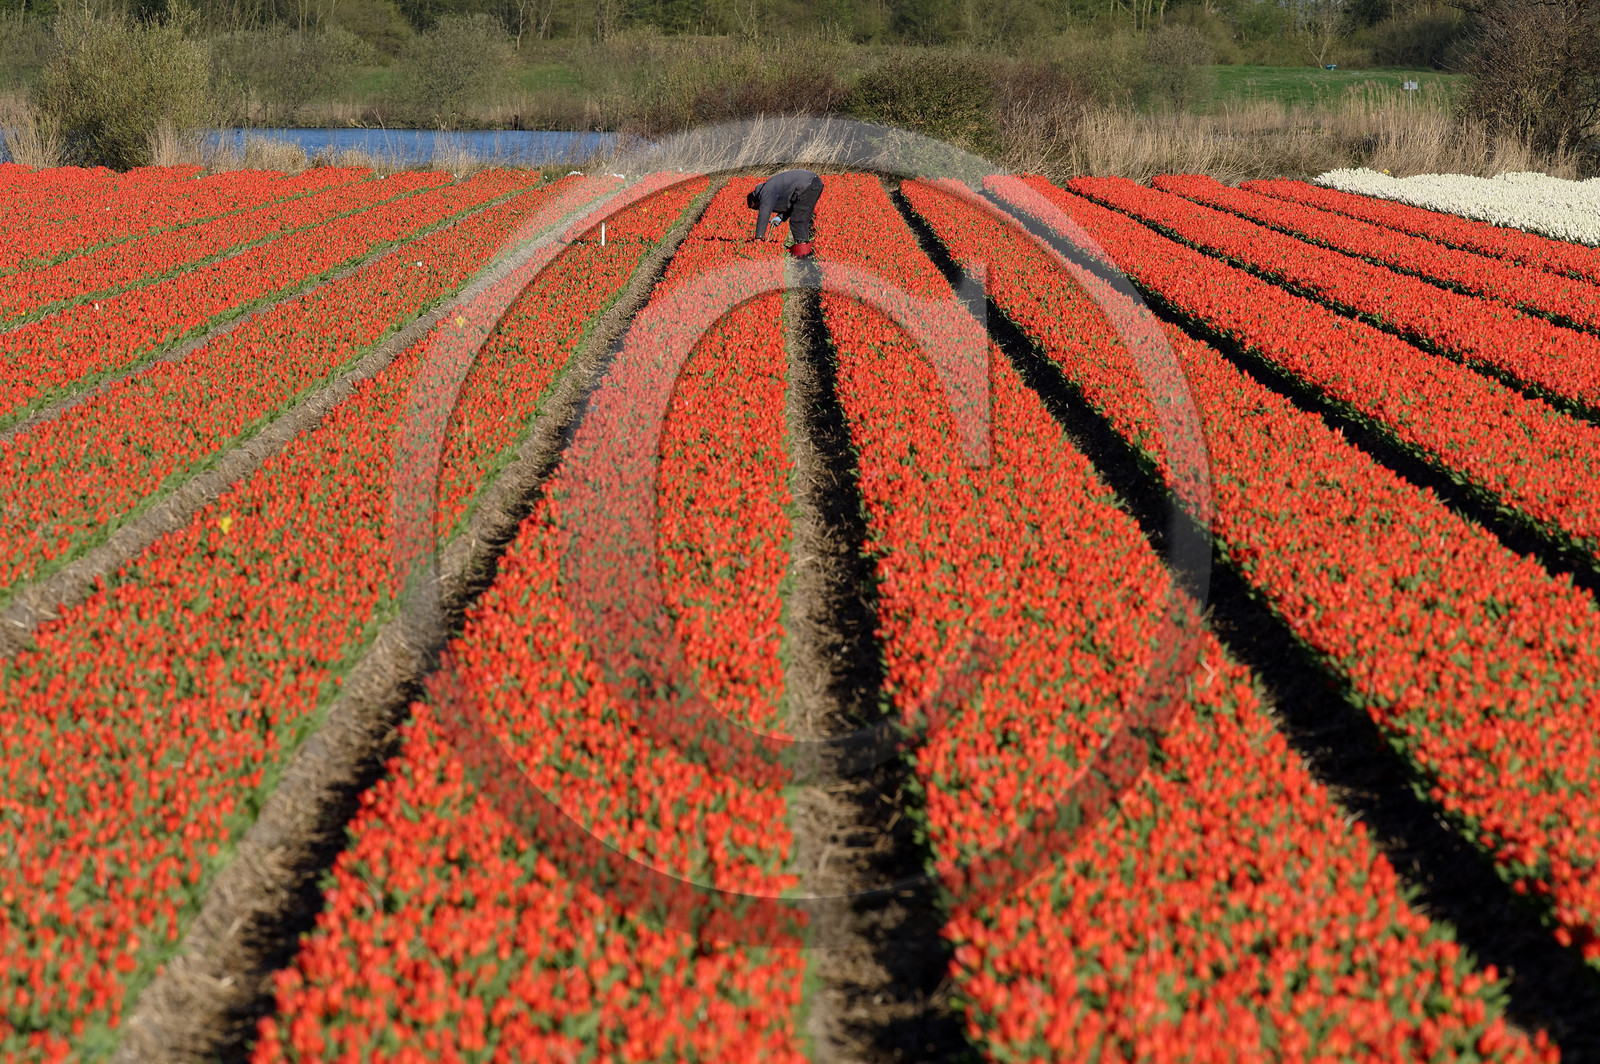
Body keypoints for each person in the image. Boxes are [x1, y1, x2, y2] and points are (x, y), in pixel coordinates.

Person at [748, 169, 824, 257]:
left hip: (807, 185)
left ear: (756, 200)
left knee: (797, 221)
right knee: (802, 218)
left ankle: (802, 252)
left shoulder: (766, 191)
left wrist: (759, 237)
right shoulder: (770, 187)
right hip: (814, 182)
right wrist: (780, 217)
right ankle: (806, 248)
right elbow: (793, 204)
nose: (759, 209)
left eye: (757, 207)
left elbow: (764, 214)